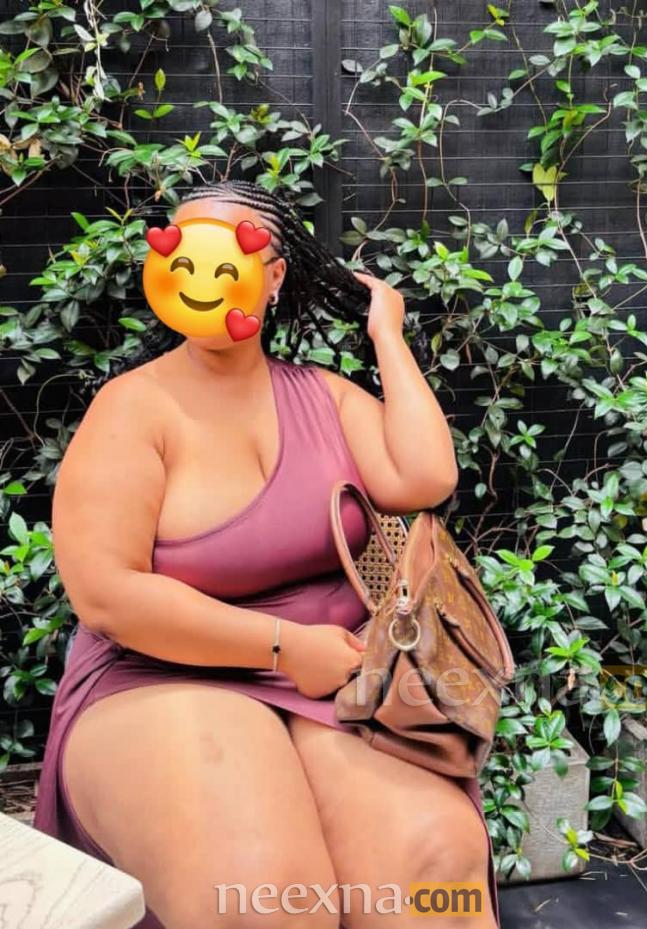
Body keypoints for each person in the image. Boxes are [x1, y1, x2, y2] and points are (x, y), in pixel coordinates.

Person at [32, 180, 499, 929]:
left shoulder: (322, 396)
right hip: (162, 671)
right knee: (263, 894)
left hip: (334, 672)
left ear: (273, 274)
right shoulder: (132, 408)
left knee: (435, 865)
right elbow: (107, 594)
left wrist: (387, 336)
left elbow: (426, 478)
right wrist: (282, 645)